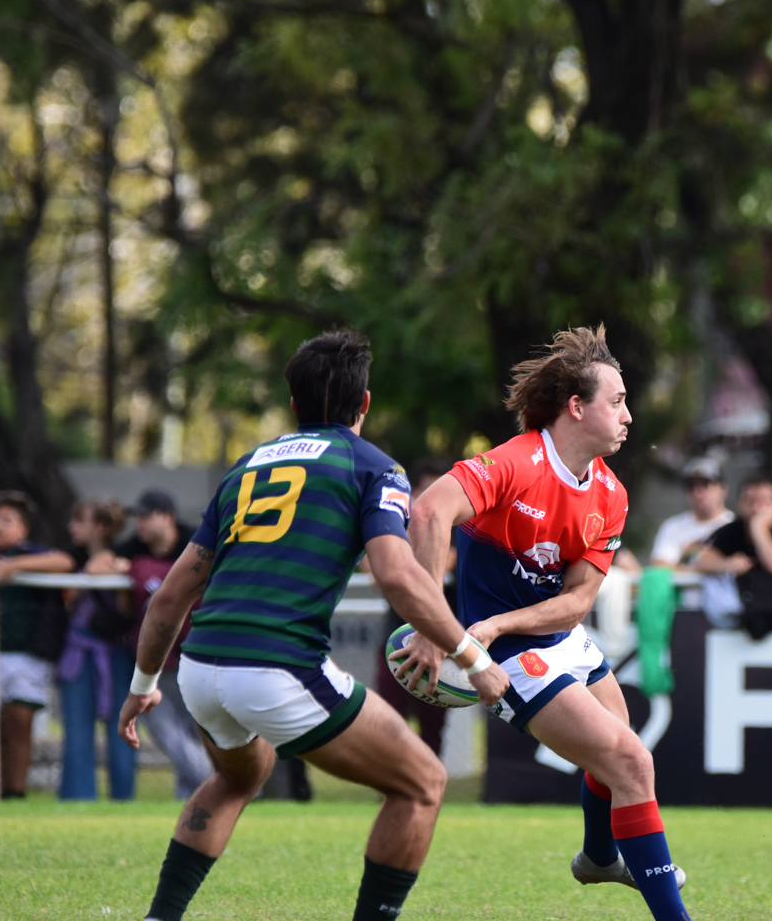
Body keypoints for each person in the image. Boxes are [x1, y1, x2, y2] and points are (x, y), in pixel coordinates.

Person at [117, 330, 507, 921]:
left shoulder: (246, 468)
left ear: (294, 404)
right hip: (277, 670)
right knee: (424, 781)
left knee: (238, 776)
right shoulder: (375, 467)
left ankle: (160, 916)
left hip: (200, 668)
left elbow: (171, 594)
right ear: (365, 404)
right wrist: (474, 660)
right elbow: (398, 577)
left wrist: (143, 686)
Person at [405, 324, 693, 921]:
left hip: (560, 638)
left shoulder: (610, 493)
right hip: (507, 656)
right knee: (633, 764)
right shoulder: (516, 463)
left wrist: (504, 620)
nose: (629, 416)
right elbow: (429, 511)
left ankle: (597, 858)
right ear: (576, 407)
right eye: (617, 402)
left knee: (623, 758)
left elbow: (578, 601)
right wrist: (437, 627)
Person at [0, 490, 76, 799]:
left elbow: (65, 562)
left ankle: (15, 792)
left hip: (29, 655)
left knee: (19, 721)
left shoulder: (36, 555)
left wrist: (13, 567)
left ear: (23, 529)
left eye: (7, 520)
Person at [114, 489, 213, 801]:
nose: (139, 524)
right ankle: (217, 787)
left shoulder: (197, 541)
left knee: (197, 732)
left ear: (167, 516)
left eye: (146, 516)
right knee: (164, 732)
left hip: (197, 656)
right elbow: (100, 563)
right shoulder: (134, 548)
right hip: (156, 660)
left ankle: (202, 794)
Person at [375, 459, 458, 759]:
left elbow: (444, 562)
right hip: (396, 639)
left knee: (432, 727)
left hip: (441, 643)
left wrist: (405, 564)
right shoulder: (395, 523)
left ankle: (429, 784)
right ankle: (393, 785)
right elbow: (374, 571)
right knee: (390, 721)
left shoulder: (458, 526)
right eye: (426, 490)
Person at [58, 498, 136, 801]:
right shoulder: (73, 560)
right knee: (77, 735)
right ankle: (77, 800)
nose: (72, 526)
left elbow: (125, 610)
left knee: (122, 733)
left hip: (114, 656)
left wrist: (99, 572)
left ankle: (123, 800)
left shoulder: (120, 562)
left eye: (80, 520)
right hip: (77, 657)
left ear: (101, 527)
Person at [693, 474, 772, 637]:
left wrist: (759, 528)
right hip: (736, 621)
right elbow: (694, 557)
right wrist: (724, 564)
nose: (757, 508)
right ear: (740, 503)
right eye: (751, 501)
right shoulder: (731, 530)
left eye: (766, 502)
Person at [648, 458, 735, 570]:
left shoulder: (734, 525)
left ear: (723, 489)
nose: (697, 492)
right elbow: (659, 567)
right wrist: (703, 568)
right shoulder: (673, 526)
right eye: (691, 486)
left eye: (705, 484)